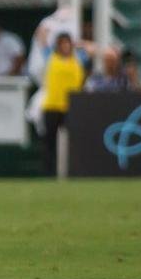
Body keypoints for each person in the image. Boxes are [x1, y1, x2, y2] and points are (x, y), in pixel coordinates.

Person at [40, 32, 86, 176]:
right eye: (62, 43)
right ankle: (49, 172)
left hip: (71, 106)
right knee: (50, 142)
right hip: (52, 106)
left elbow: (94, 51)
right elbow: (41, 39)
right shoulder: (50, 57)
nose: (65, 46)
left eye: (68, 43)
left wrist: (82, 44)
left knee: (74, 141)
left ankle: (73, 171)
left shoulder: (78, 60)